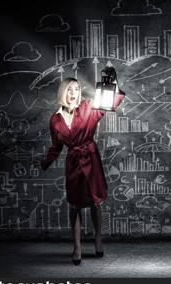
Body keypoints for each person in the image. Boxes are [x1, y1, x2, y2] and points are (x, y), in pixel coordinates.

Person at [38, 75, 125, 265]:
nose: (73, 93)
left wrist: (112, 83)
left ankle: (97, 238)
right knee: (75, 205)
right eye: (69, 89)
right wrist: (45, 162)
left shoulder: (88, 106)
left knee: (95, 202)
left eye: (76, 89)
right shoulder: (55, 119)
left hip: (91, 158)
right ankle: (76, 246)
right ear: (63, 92)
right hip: (73, 162)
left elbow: (111, 101)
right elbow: (56, 147)